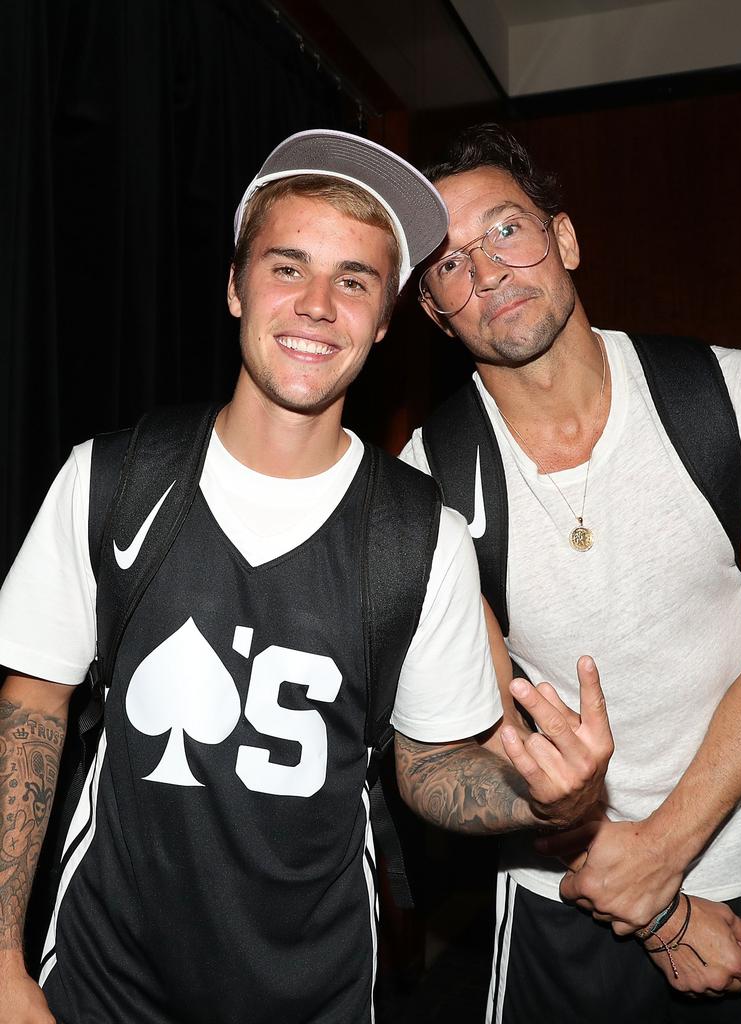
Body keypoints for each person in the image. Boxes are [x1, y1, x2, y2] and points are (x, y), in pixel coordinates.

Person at [0, 129, 612, 1024]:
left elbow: (433, 770)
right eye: (289, 268)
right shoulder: (112, 479)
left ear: (385, 317)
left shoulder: (420, 536)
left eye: (355, 281)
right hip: (101, 986)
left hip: (318, 992)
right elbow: (31, 709)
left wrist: (540, 794)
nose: (319, 305)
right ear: (236, 286)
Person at [401, 122, 741, 1022]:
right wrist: (659, 914)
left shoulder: (729, 393)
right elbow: (483, 744)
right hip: (560, 904)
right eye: (450, 266)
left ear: (563, 238)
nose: (487, 273)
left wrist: (663, 861)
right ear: (433, 310)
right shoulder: (427, 481)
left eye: (507, 231)